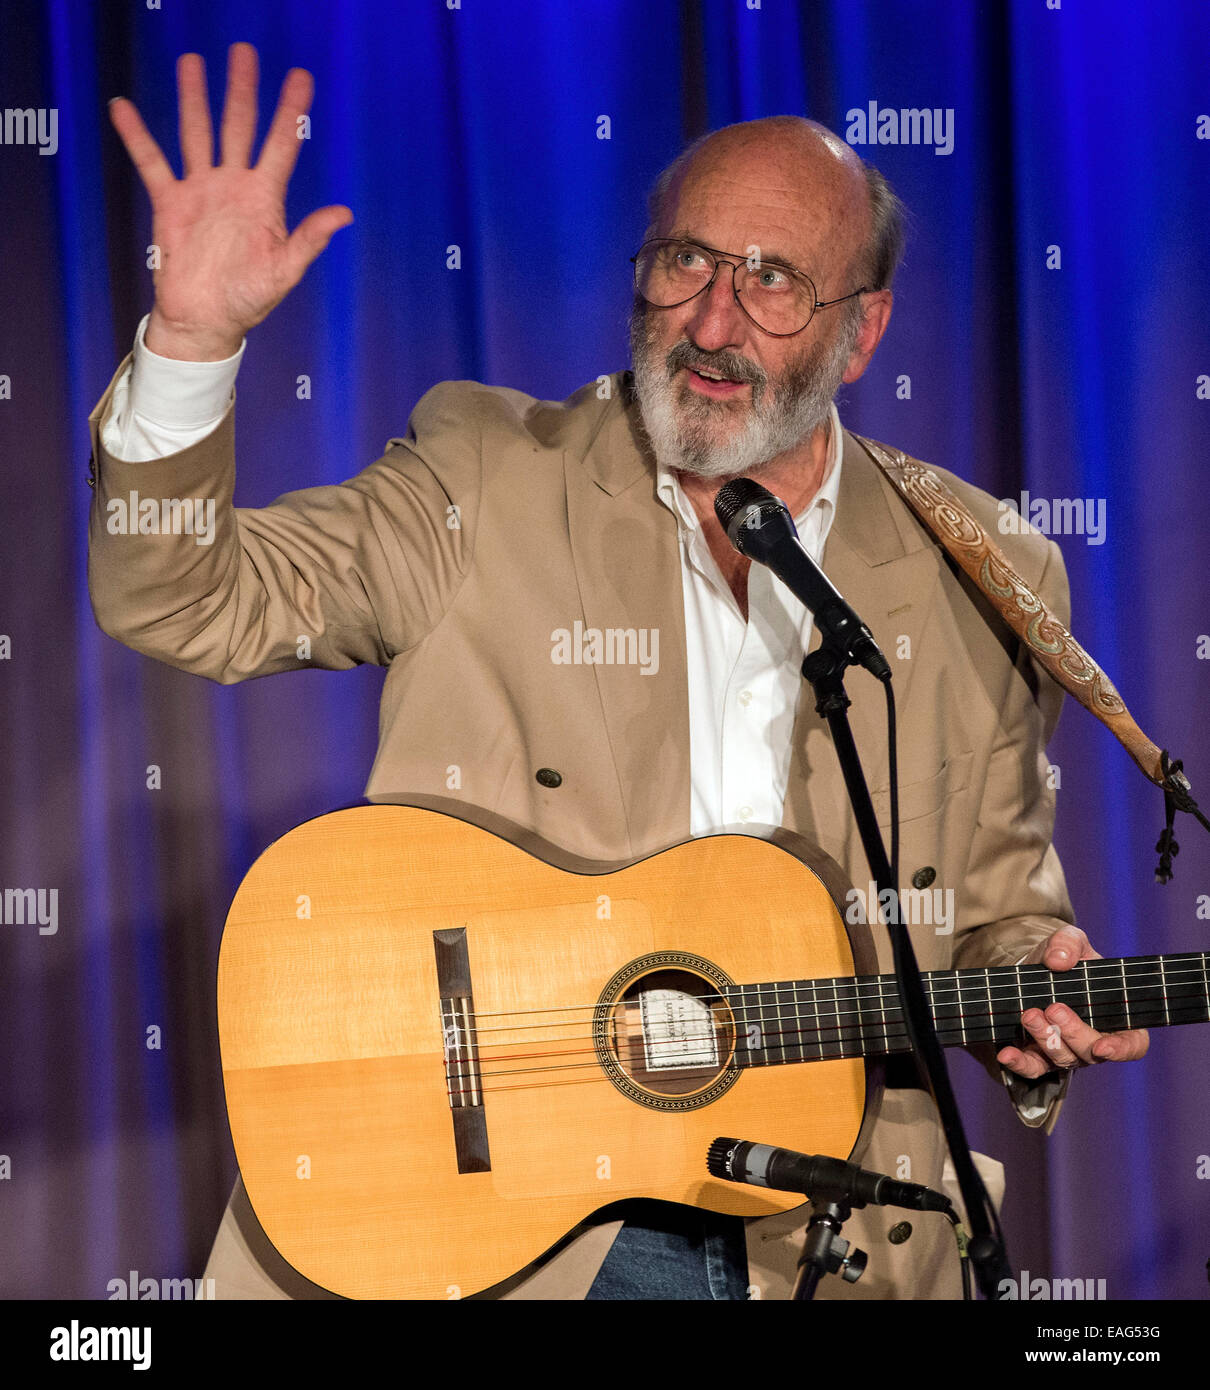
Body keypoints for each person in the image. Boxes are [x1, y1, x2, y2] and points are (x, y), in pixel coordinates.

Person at [88, 42, 1147, 1300]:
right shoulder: (486, 476)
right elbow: (183, 598)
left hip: (830, 1223)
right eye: (684, 261)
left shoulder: (984, 570)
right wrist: (190, 347)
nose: (710, 320)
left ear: (862, 334)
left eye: (771, 282)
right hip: (510, 1227)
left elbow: (982, 912)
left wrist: (1030, 990)